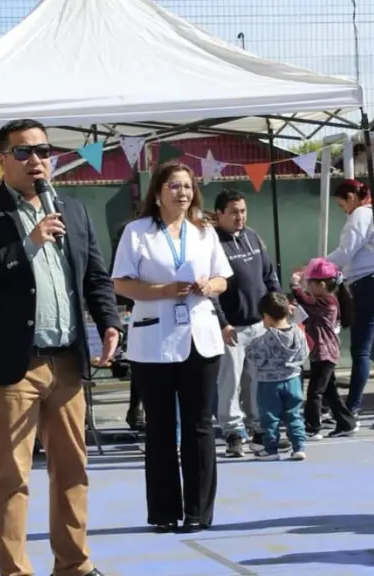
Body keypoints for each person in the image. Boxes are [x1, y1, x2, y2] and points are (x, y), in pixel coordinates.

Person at [0, 118, 120, 576]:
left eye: (43, 151)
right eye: (23, 152)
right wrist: (27, 243)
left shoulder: (74, 210)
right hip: (11, 367)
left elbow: (95, 277)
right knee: (12, 479)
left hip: (66, 362)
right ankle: (16, 572)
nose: (36, 160)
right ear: (2, 159)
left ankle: (74, 566)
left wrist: (109, 322)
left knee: (72, 473)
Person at [111, 161, 232, 534]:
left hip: (200, 336)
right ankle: (164, 512)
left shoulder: (204, 231)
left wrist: (208, 287)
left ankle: (198, 512)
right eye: (174, 186)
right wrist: (163, 292)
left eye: (187, 186)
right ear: (159, 192)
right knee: (161, 428)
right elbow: (121, 284)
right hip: (155, 340)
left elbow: (222, 279)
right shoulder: (137, 232)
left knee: (199, 426)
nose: (182, 192)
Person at [326, 179, 374, 420]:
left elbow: (346, 251)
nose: (344, 210)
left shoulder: (360, 214)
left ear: (351, 197)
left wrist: (317, 266)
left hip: (369, 285)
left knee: (361, 350)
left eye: (342, 205)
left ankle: (352, 408)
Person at [212, 188, 280, 457]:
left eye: (243, 211)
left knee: (257, 380)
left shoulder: (252, 236)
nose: (240, 217)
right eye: (233, 212)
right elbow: (211, 290)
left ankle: (258, 430)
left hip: (259, 325)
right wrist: (223, 323)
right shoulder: (212, 243)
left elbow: (269, 275)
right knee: (230, 383)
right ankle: (233, 433)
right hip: (231, 328)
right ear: (219, 214)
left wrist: (276, 310)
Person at [289, 257, 359, 438]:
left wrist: (295, 285)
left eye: (310, 283)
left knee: (314, 392)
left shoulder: (326, 301)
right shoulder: (326, 300)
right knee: (330, 391)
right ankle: (346, 422)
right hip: (323, 351)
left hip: (324, 352)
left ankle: (312, 427)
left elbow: (304, 300)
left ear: (321, 284)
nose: (308, 287)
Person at [246, 292, 310, 460]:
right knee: (294, 414)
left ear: (267, 317)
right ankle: (299, 447)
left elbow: (255, 359)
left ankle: (271, 449)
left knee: (270, 417)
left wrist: (249, 348)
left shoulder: (265, 339)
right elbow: (305, 353)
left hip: (269, 383)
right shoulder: (298, 333)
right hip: (293, 380)